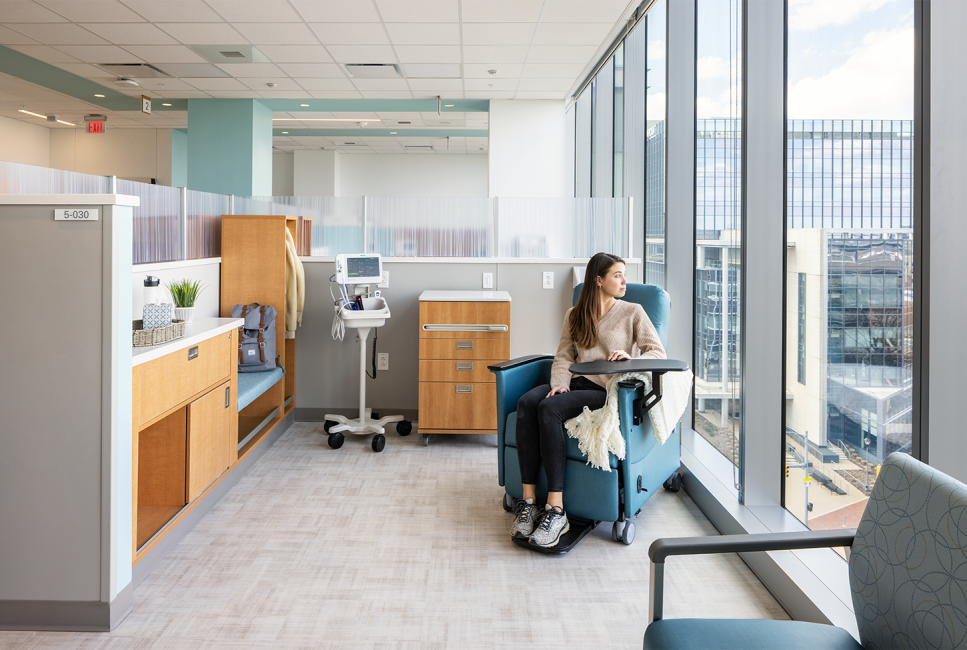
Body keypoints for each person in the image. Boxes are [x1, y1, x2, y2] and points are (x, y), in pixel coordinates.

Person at [511, 252, 666, 547]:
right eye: (617, 275)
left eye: (624, 274)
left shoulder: (633, 312)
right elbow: (564, 356)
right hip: (575, 383)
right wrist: (559, 385)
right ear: (598, 280)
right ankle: (528, 501)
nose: (624, 281)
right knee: (527, 403)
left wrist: (630, 358)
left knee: (549, 408)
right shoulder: (575, 314)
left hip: (604, 390)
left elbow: (657, 352)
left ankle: (555, 510)